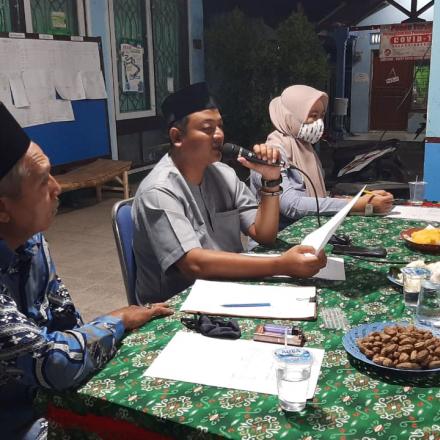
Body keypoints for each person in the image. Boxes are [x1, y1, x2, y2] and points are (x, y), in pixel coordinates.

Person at [0, 102, 173, 439]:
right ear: (3, 210)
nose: (57, 187)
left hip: (46, 405)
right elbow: (55, 363)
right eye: (41, 182)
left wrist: (87, 338)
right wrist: (118, 320)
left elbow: (67, 323)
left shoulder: (33, 243)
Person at [132, 82, 327, 304]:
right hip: (176, 304)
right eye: (207, 128)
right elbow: (194, 264)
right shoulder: (159, 191)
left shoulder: (223, 174)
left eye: (220, 127)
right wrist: (280, 265)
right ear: (177, 137)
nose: (219, 135)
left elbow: (264, 235)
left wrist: (271, 180)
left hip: (228, 288)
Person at [250, 85, 394, 229]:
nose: (319, 123)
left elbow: (317, 199)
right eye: (312, 115)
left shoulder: (305, 149)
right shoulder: (271, 153)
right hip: (278, 241)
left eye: (321, 116)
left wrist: (363, 198)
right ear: (291, 115)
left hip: (309, 232)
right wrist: (358, 204)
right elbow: (292, 205)